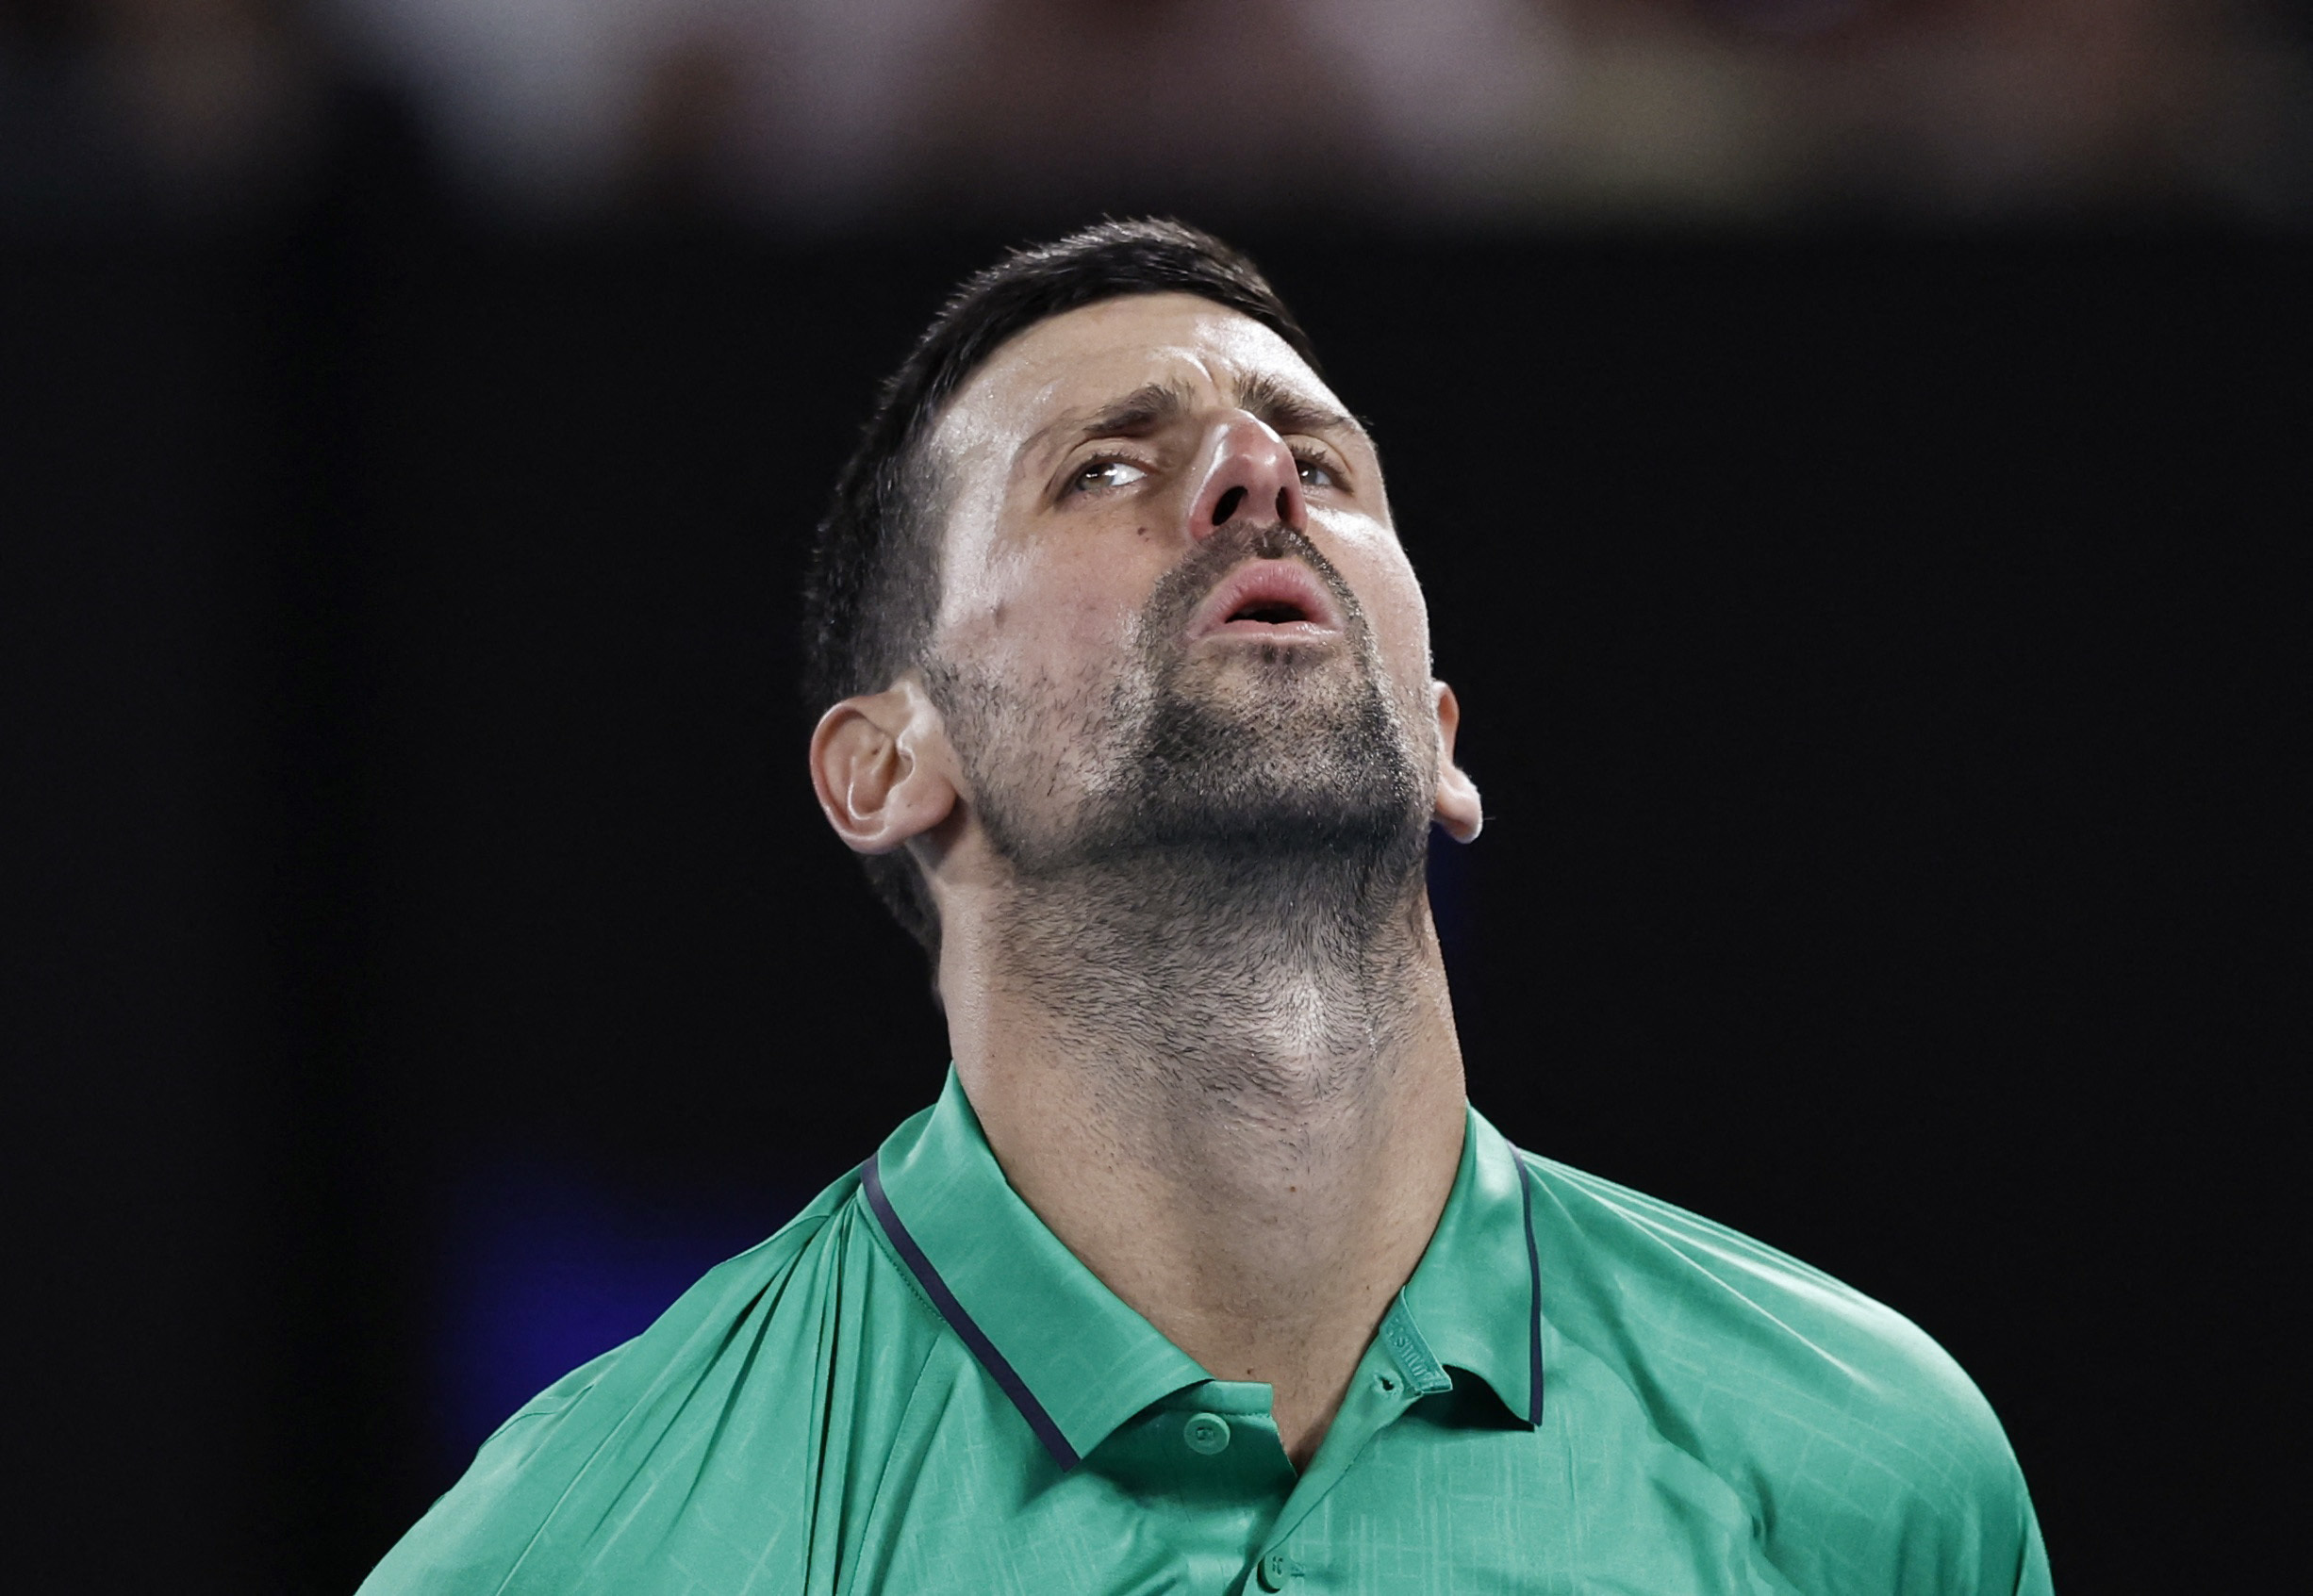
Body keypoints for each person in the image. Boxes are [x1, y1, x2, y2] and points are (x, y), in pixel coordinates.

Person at [359, 220, 2052, 1595]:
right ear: (887, 763)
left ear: (1440, 743)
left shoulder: (1871, 1476)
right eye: (1102, 467)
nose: (1256, 473)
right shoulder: (591, 1550)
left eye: (1321, 459)